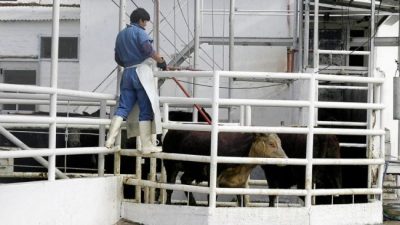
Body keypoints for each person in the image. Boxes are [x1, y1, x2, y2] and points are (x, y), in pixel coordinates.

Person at [105, 8, 167, 154]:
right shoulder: (140, 32)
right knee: (145, 109)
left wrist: (128, 63)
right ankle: (146, 145)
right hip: (141, 73)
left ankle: (109, 140)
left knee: (123, 108)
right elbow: (147, 50)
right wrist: (161, 60)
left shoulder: (120, 35)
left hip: (127, 73)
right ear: (141, 20)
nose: (145, 25)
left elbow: (117, 58)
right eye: (145, 22)